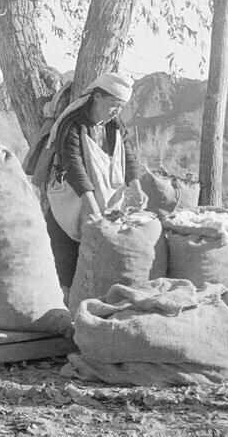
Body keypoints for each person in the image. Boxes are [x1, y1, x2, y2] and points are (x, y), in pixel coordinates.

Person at [43, 72, 148, 298]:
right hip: (71, 205)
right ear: (97, 97)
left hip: (101, 204)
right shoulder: (72, 125)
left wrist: (136, 186)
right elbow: (75, 168)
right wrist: (93, 210)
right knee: (67, 270)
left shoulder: (114, 125)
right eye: (113, 105)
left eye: (120, 107)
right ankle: (67, 316)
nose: (116, 111)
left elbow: (128, 154)